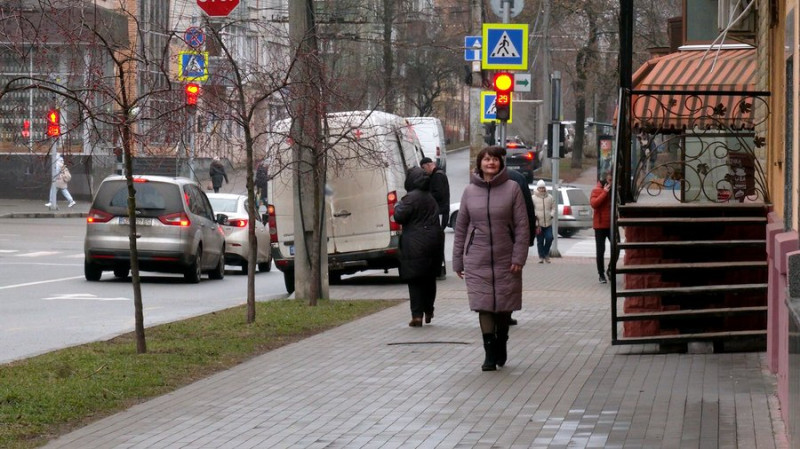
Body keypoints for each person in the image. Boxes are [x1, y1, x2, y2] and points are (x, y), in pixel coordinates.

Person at [452, 146, 529, 371]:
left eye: (494, 159)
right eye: (486, 159)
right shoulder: (469, 191)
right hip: (478, 258)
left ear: (500, 163)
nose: (490, 163)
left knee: (504, 306)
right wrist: (457, 259)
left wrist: (519, 256)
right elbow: (461, 228)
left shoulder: (512, 188)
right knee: (483, 305)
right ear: (480, 163)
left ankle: (502, 341)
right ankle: (488, 353)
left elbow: (522, 226)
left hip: (507, 257)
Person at [393, 166, 444, 327]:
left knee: (415, 280)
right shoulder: (430, 197)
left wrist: (397, 206)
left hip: (415, 243)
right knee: (429, 278)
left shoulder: (410, 198)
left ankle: (416, 315)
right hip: (433, 242)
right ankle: (429, 309)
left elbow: (399, 216)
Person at [419, 157, 449, 280]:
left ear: (428, 165)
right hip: (441, 211)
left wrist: (425, 197)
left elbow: (438, 194)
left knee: (438, 240)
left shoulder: (437, 176)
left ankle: (440, 269)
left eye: (423, 168)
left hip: (440, 212)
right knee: (437, 239)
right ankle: (439, 268)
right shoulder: (440, 174)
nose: (424, 171)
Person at [590, 172, 613, 284]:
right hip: (600, 225)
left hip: (611, 225)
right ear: (605, 180)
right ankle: (601, 274)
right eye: (609, 180)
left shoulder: (614, 191)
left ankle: (610, 269)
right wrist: (605, 192)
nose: (611, 183)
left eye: (612, 180)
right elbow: (594, 204)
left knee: (616, 248)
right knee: (600, 251)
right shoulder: (597, 190)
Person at [532, 179, 555, 263]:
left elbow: (553, 207)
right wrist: (535, 216)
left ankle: (546, 253)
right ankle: (541, 257)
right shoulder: (533, 198)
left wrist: (551, 214)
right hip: (538, 223)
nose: (542, 189)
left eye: (543, 188)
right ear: (537, 188)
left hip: (548, 222)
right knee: (540, 241)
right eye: (540, 188)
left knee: (550, 238)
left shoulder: (550, 197)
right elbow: (532, 209)